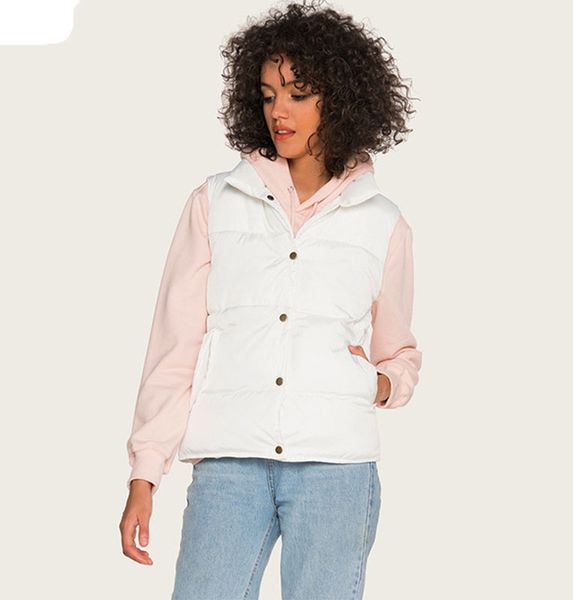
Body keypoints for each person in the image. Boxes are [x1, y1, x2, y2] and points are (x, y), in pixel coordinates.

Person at [119, 1, 423, 598]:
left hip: (336, 468)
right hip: (230, 464)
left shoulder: (383, 222)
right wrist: (144, 473)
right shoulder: (215, 202)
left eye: (298, 94)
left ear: (341, 99)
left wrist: (380, 383)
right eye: (267, 96)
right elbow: (174, 347)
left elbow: (400, 353)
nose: (279, 111)